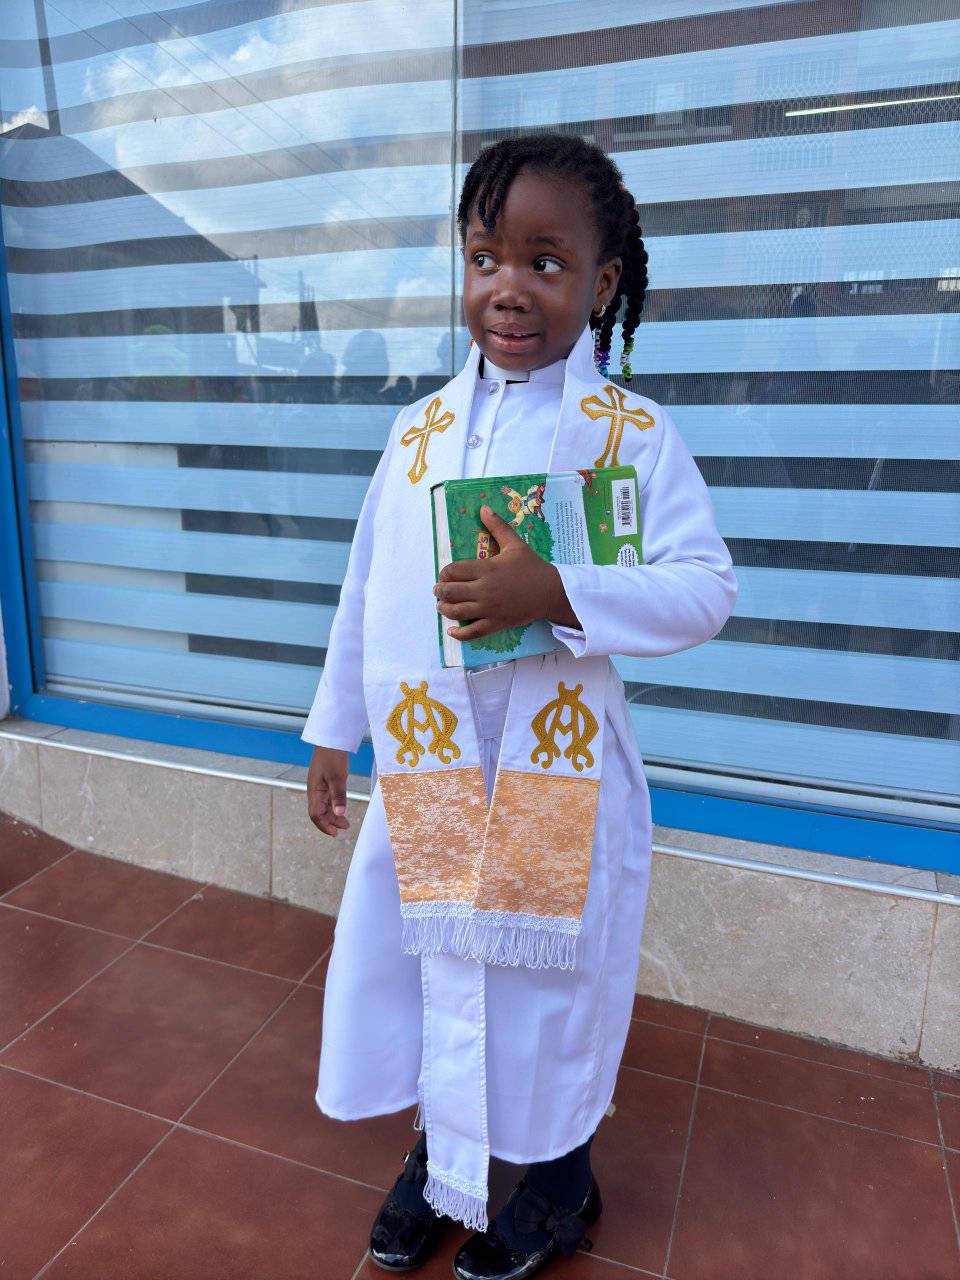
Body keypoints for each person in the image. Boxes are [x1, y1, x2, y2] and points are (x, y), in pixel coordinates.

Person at [301, 133, 738, 1279]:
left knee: (547, 989)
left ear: (600, 283)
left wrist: (558, 590)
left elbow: (705, 587)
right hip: (436, 768)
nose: (508, 286)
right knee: (431, 965)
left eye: (545, 262)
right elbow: (366, 592)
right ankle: (442, 1155)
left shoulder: (628, 440)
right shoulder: (416, 438)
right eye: (487, 255)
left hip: (558, 776)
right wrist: (331, 730)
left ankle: (558, 1180)